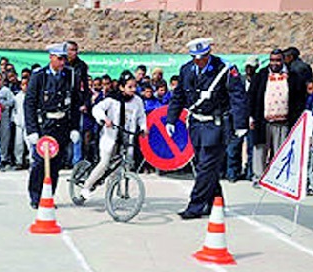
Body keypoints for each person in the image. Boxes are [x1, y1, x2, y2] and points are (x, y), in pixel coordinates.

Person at [167, 37, 249, 220]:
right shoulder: (186, 70)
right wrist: (171, 119)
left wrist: (241, 124)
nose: (199, 61)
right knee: (202, 165)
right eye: (195, 57)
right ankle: (215, 202)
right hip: (196, 124)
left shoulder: (225, 70)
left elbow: (238, 97)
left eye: (202, 57)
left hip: (216, 125)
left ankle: (195, 206)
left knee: (206, 166)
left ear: (209, 53)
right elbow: (178, 96)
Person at [24, 42, 81, 209]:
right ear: (51, 58)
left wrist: (74, 127)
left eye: (64, 59)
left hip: (61, 126)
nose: (63, 62)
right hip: (44, 126)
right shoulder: (39, 76)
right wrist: (32, 129)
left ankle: (48, 196)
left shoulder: (70, 76)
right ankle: (35, 196)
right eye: (59, 59)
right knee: (40, 164)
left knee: (56, 165)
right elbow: (30, 103)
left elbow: (75, 104)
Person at [80, 72, 147, 199]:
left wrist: (143, 127)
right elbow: (96, 109)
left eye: (134, 87)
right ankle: (86, 187)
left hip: (126, 137)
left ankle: (111, 193)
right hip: (110, 137)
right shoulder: (112, 99)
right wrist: (104, 119)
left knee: (121, 165)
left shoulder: (137, 101)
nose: (133, 90)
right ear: (122, 87)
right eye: (130, 87)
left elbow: (141, 116)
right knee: (104, 163)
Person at [249, 49, 307, 187]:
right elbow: (252, 97)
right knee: (260, 150)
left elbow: (300, 100)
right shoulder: (261, 76)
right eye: (272, 60)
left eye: (278, 60)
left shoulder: (293, 77)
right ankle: (259, 178)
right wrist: (251, 117)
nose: (275, 63)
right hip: (263, 121)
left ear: (283, 60)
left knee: (281, 152)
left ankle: (278, 179)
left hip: (284, 122)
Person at [0, 72, 15, 168]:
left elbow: (12, 101)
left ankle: (3, 157)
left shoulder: (6, 91)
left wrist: (4, 105)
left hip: (4, 116)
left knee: (4, 137)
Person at [12, 76, 29, 169]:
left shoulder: (33, 95)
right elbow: (14, 110)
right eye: (23, 84)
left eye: (27, 84)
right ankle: (18, 161)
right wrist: (15, 120)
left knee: (30, 143)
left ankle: (31, 161)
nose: (25, 86)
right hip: (19, 123)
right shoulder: (17, 97)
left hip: (29, 123)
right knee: (18, 144)